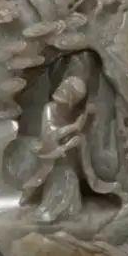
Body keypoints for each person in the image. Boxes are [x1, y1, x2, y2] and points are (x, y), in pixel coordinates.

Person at [20, 76, 91, 221]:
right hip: (49, 156)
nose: (60, 89)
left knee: (69, 178)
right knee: (57, 177)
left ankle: (65, 209)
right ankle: (48, 208)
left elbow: (79, 138)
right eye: (61, 86)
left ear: (71, 99)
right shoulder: (49, 108)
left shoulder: (74, 113)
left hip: (65, 158)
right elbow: (49, 134)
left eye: (65, 89)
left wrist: (75, 141)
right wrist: (73, 127)